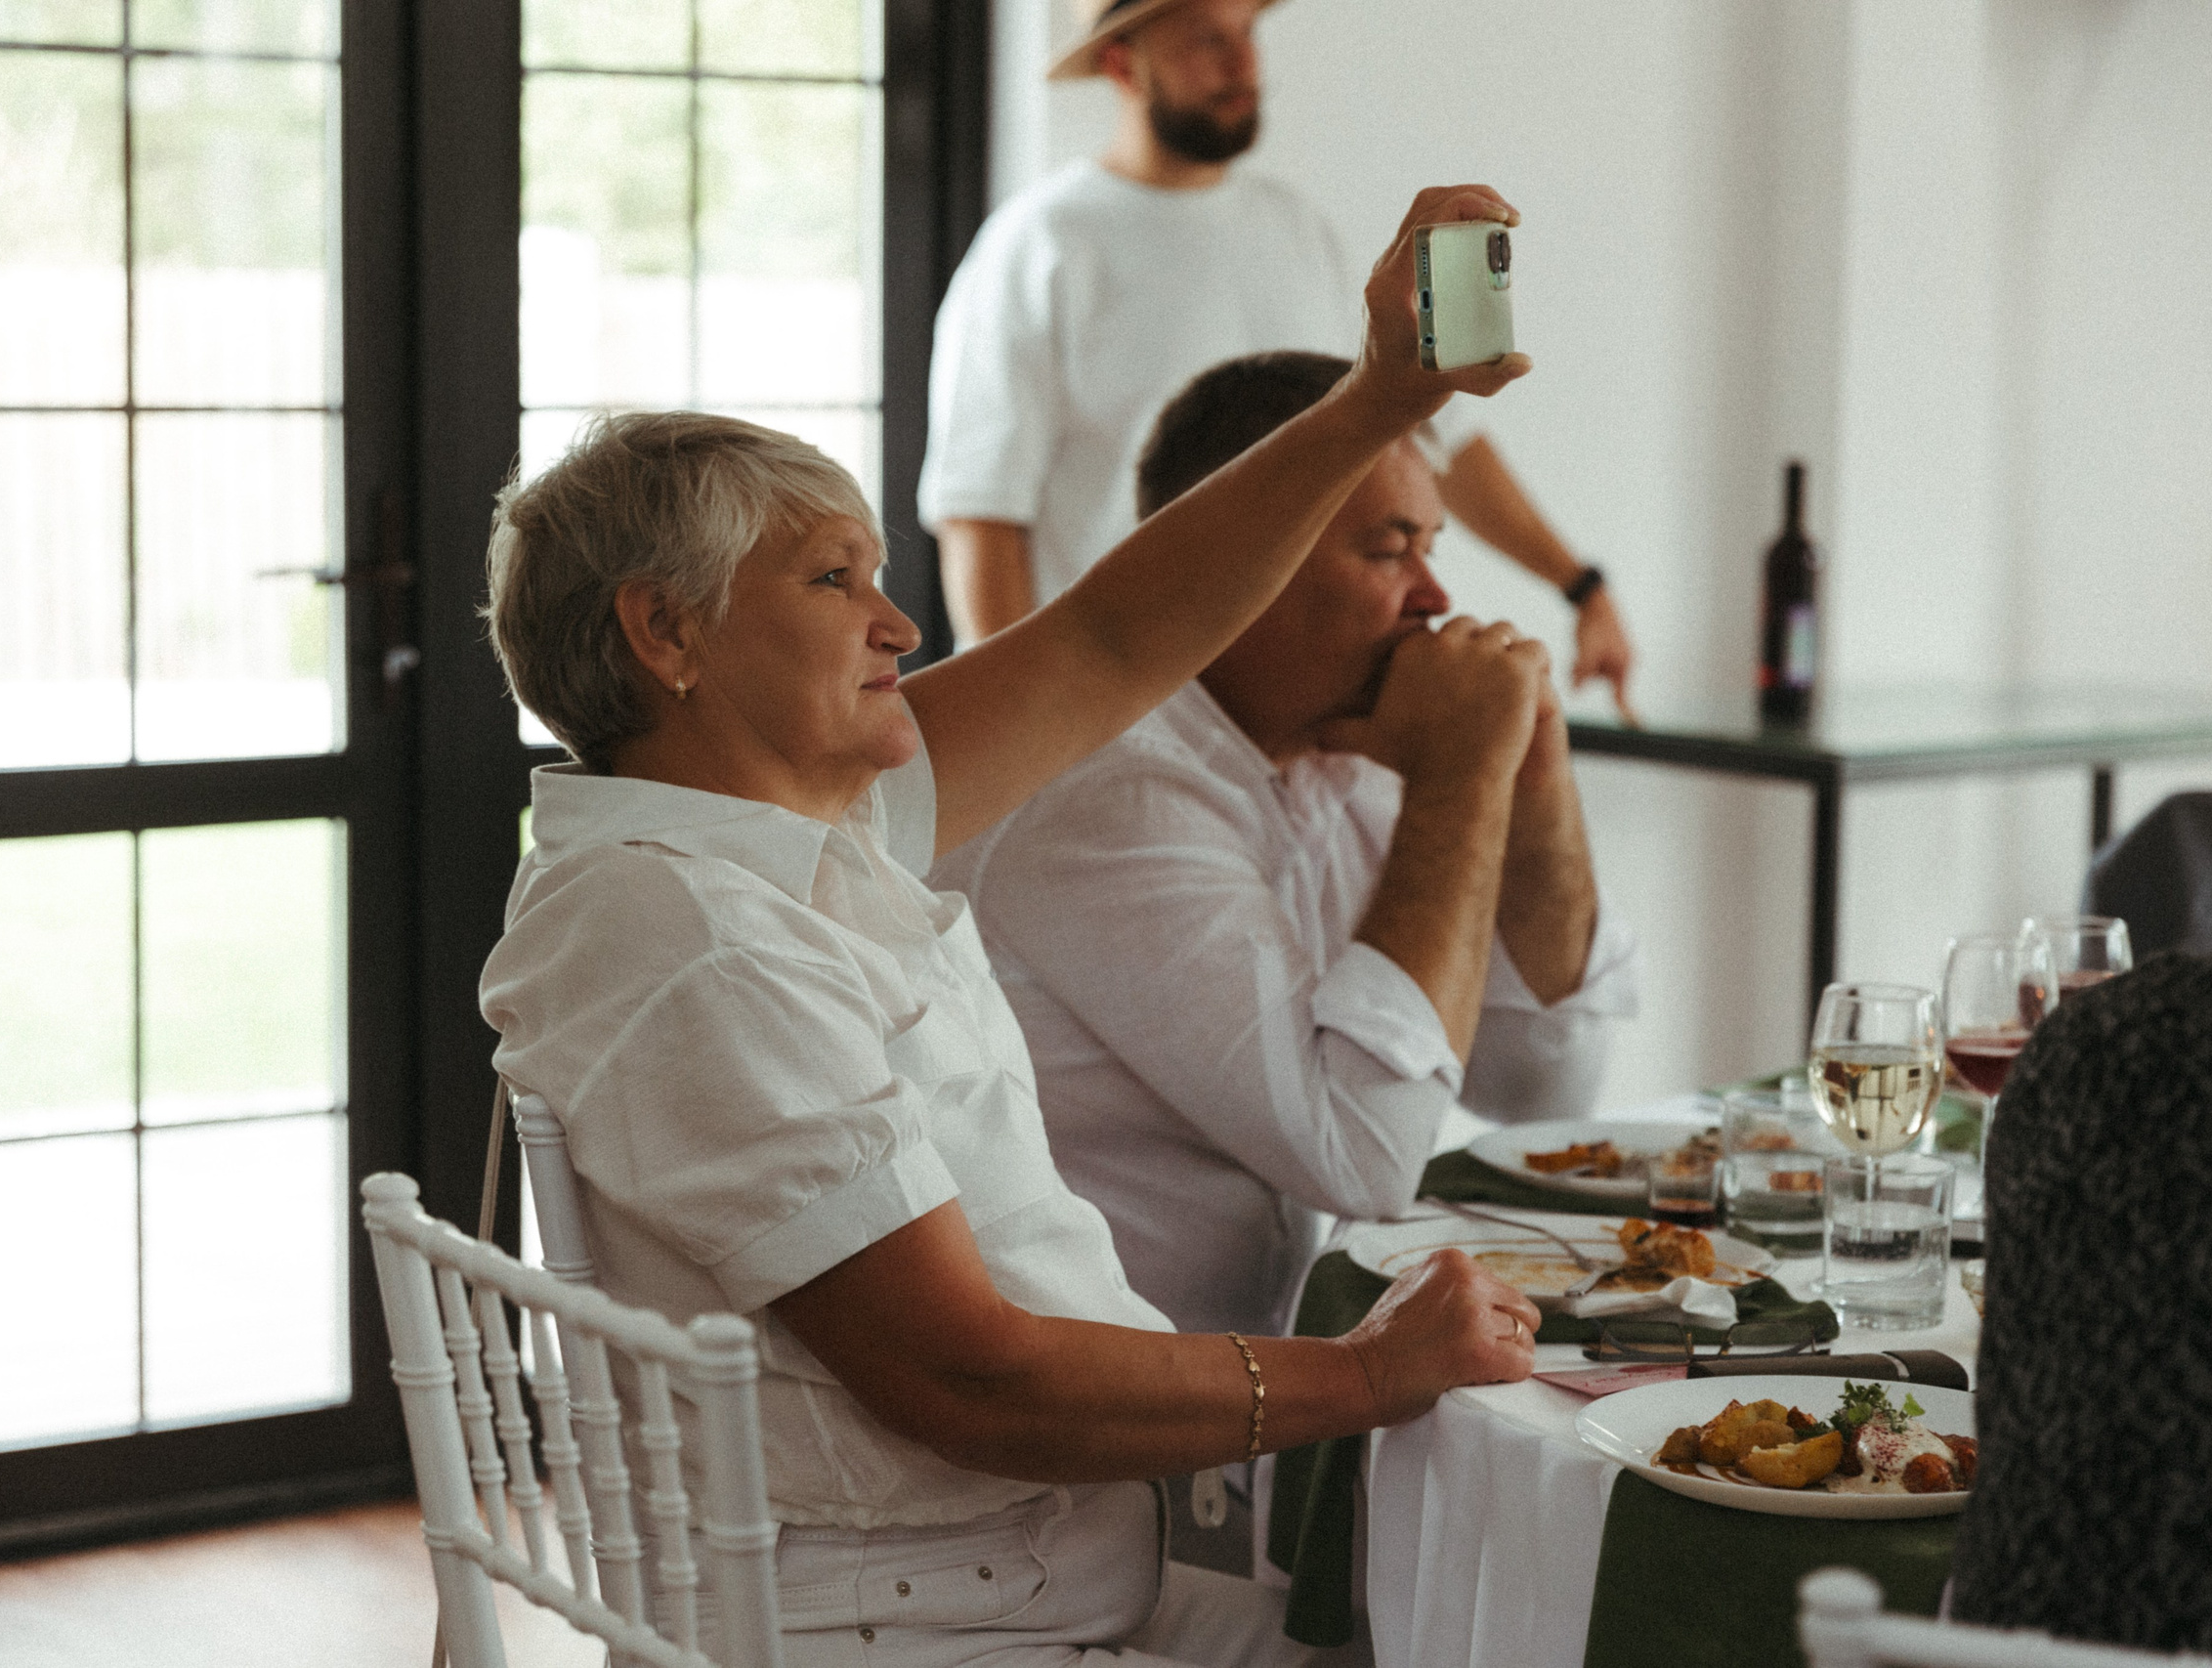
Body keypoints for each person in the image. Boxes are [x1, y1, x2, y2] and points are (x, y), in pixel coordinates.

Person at [480, 188, 1546, 1667]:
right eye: (834, 578)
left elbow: (1112, 637)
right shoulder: (698, 939)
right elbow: (971, 1381)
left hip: (1033, 1577)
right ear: (667, 634)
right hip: (921, 1626)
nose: (899, 624)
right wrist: (1366, 1377)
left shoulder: (786, 840)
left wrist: (1380, 396)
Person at [934, 350, 1637, 1348]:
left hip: (1256, 1377)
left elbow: (1541, 1090)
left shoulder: (1344, 753)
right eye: (1390, 551)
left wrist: (1535, 777)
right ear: (1240, 559)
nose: (1435, 596)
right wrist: (1460, 778)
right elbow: (1365, 1156)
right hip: (1095, 1410)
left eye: (1431, 547)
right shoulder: (1110, 795)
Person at [916, 0, 1637, 718]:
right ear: (1121, 63)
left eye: (1247, 32)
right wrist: (1026, 733)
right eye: (1207, 40)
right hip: (1119, 715)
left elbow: (1426, 433)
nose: (1244, 63)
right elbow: (982, 517)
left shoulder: (1295, 230)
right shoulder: (1038, 247)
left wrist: (1580, 587)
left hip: (1291, 715)